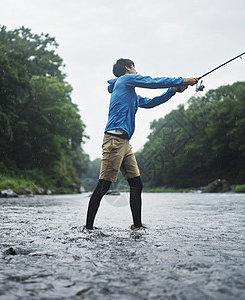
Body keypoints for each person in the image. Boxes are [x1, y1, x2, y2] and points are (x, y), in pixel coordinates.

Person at [85, 58, 198, 230]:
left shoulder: (130, 92)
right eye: (134, 67)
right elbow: (151, 82)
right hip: (114, 140)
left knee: (136, 184)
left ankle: (137, 226)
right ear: (127, 68)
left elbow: (152, 102)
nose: (136, 70)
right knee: (104, 185)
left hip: (124, 143)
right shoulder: (125, 79)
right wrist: (182, 80)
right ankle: (88, 228)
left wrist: (173, 90)